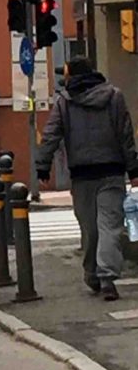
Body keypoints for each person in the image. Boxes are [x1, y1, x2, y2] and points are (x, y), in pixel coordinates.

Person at [37, 57, 138, 302]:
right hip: (112, 171)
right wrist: (133, 169)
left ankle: (94, 274)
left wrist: (43, 166)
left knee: (90, 228)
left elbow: (51, 134)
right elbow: (125, 134)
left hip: (82, 175)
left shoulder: (64, 102)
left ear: (72, 76)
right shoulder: (114, 97)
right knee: (110, 227)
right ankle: (106, 278)